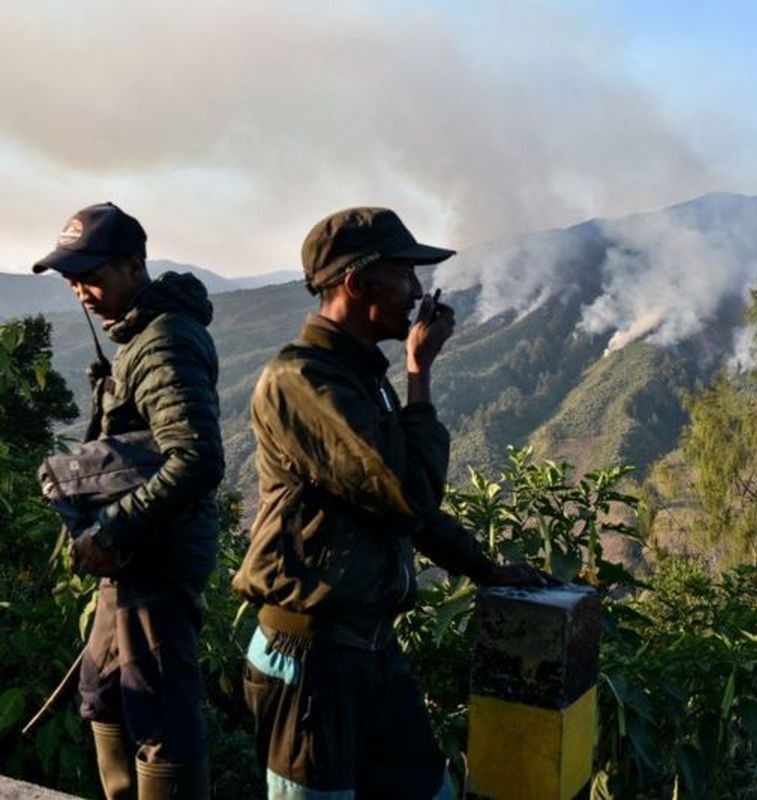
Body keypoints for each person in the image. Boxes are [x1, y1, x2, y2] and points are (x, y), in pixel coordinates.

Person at [232, 207, 547, 799]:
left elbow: (403, 512)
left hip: (369, 651)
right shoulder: (303, 382)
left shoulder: (356, 377)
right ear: (357, 283)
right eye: (404, 274)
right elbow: (406, 494)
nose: (417, 292)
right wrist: (419, 374)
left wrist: (484, 570)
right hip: (312, 663)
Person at [32, 202, 224, 799]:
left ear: (134, 266)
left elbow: (197, 457)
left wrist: (111, 532)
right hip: (135, 565)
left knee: (160, 717)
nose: (80, 290)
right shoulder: (141, 336)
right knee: (106, 692)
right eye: (71, 278)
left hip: (154, 564)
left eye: (90, 274)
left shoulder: (163, 343)